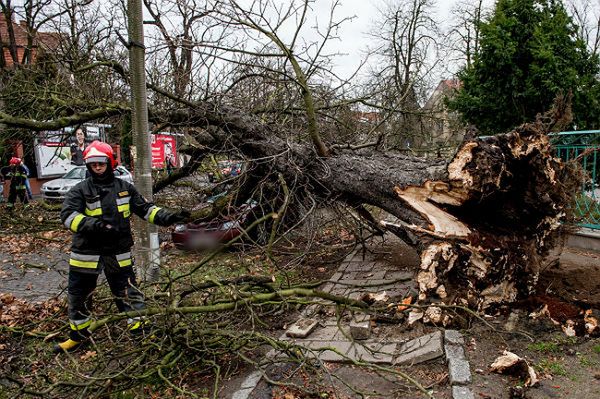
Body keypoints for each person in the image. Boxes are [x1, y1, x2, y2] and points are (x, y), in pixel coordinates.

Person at [55, 141, 190, 353]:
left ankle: (140, 332)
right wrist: (93, 225)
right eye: (93, 164)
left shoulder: (124, 189)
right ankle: (78, 336)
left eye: (101, 163)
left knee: (128, 291)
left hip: (118, 251)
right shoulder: (79, 190)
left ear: (110, 163)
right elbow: (68, 216)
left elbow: (146, 209)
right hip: (86, 252)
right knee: (79, 295)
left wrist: (168, 217)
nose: (97, 168)